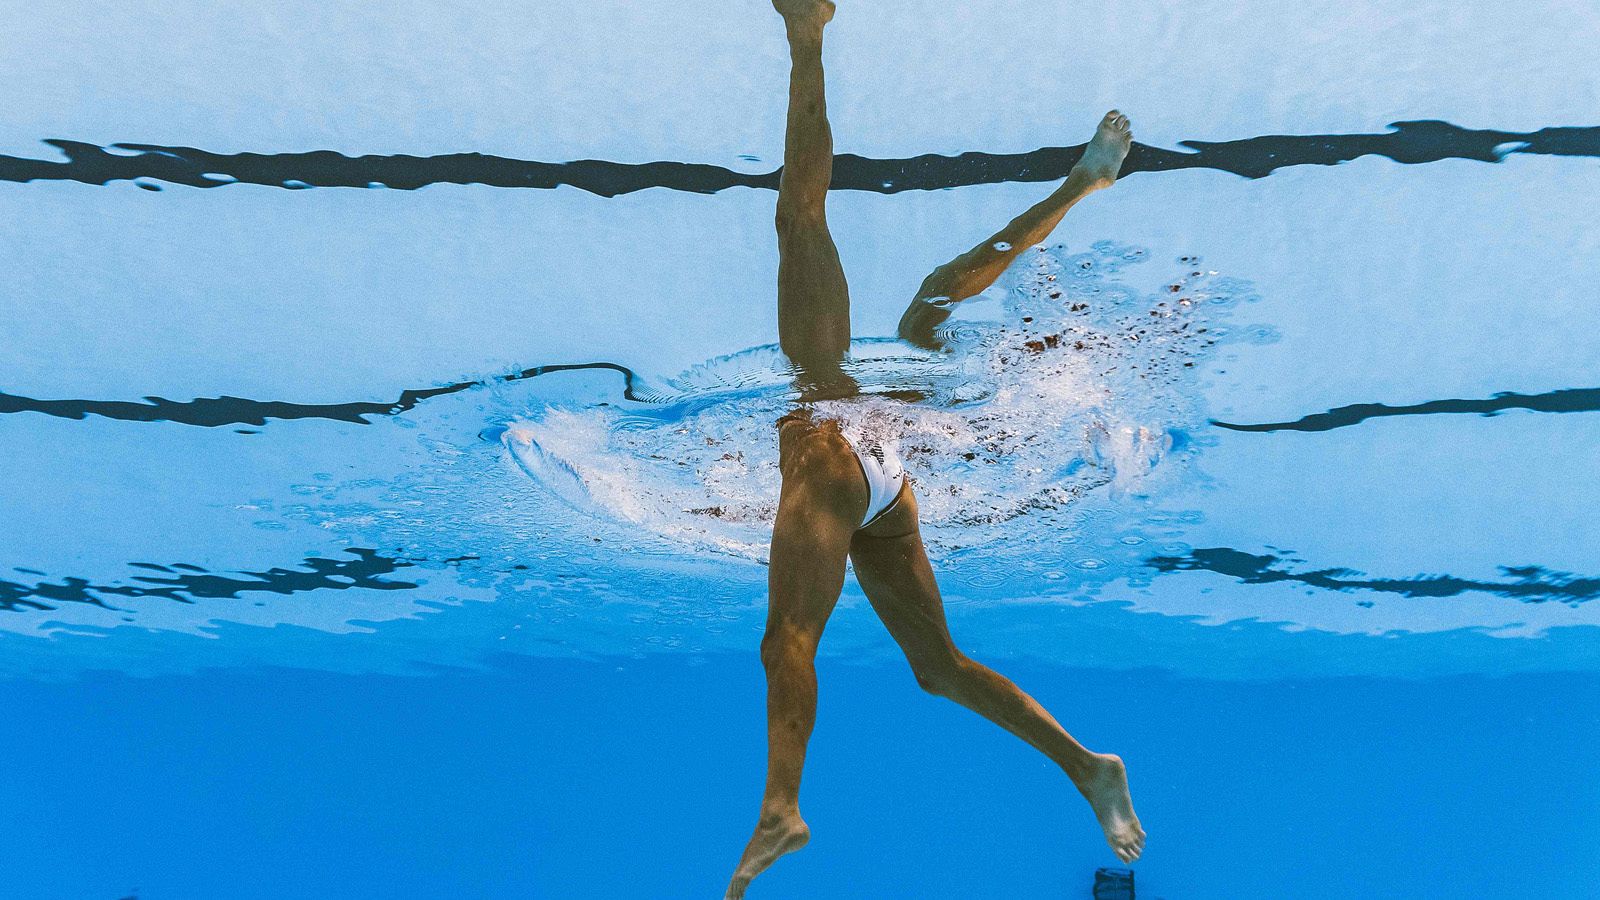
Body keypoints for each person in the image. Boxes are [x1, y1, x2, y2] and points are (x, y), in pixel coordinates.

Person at [726, 2, 1145, 896]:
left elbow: (804, 214)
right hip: (875, 480)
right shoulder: (846, 376)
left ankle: (782, 805)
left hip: (846, 465)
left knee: (799, 642)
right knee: (924, 666)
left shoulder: (818, 377)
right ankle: (1086, 766)